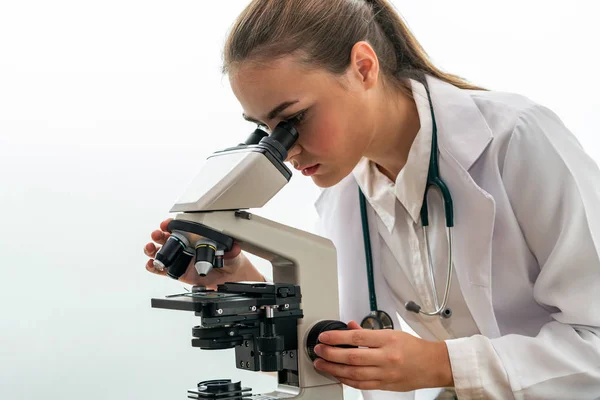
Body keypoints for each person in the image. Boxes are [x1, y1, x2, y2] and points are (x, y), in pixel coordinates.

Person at [143, 0, 600, 398]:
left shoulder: (516, 138)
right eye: (266, 128)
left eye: (294, 118)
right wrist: (239, 281)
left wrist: (442, 364)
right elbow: (345, 348)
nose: (285, 147)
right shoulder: (346, 188)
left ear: (363, 67)